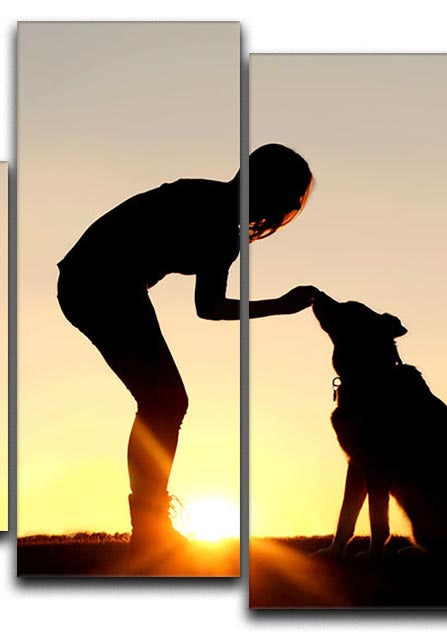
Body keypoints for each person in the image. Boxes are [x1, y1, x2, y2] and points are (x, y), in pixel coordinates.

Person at [57, 143, 318, 558]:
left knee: (164, 402)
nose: (281, 212)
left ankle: (149, 523)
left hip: (94, 281)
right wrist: (281, 306)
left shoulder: (209, 202)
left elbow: (206, 307)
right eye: (286, 200)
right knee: (165, 401)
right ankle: (148, 526)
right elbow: (210, 309)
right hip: (101, 283)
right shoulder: (218, 224)